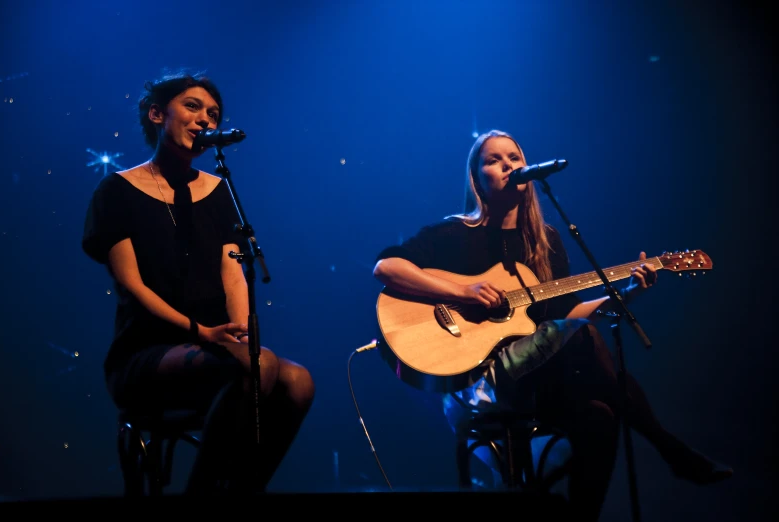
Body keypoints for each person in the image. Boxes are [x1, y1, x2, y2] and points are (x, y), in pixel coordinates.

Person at [373, 130, 731, 520]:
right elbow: (387, 269)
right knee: (586, 341)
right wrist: (463, 292)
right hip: (480, 378)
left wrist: (625, 294)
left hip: (538, 376)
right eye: (494, 160)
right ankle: (671, 449)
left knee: (601, 414)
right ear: (477, 178)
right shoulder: (453, 233)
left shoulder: (545, 242)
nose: (508, 165)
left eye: (514, 156)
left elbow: (569, 315)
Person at [82, 71, 315, 495]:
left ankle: (241, 488)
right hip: (147, 350)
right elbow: (131, 285)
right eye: (192, 107)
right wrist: (202, 332)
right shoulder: (115, 190)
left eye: (213, 114)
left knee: (297, 381)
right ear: (157, 114)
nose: (205, 120)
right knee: (259, 365)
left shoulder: (219, 190)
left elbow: (233, 271)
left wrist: (240, 330)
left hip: (215, 343)